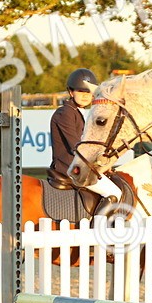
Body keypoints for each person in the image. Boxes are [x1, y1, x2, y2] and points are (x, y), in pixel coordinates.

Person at [49, 68, 122, 212]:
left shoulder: (81, 113)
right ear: (71, 92)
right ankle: (96, 229)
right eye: (80, 91)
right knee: (114, 193)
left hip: (82, 166)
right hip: (70, 167)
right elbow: (77, 147)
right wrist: (98, 166)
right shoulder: (65, 113)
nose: (85, 96)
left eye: (88, 92)